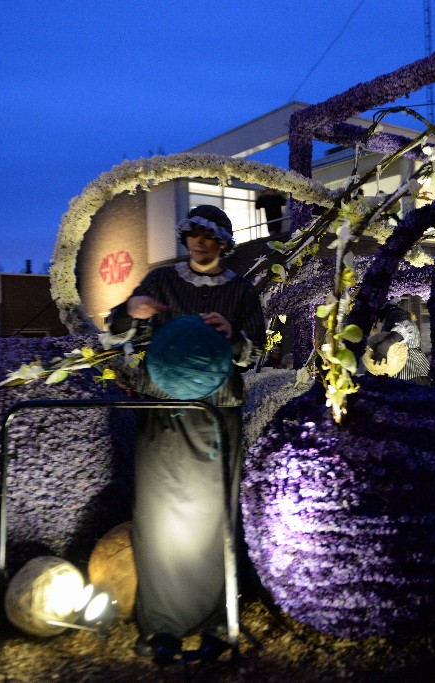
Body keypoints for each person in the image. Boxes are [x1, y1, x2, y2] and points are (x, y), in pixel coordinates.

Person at [108, 205, 265, 643]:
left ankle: (217, 617)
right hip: (162, 412)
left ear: (222, 243)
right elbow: (118, 327)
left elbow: (257, 354)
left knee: (214, 514)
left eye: (208, 236)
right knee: (159, 513)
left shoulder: (242, 292)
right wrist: (130, 310)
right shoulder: (161, 281)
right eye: (193, 233)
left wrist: (233, 335)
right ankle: (162, 624)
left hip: (217, 415)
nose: (199, 242)